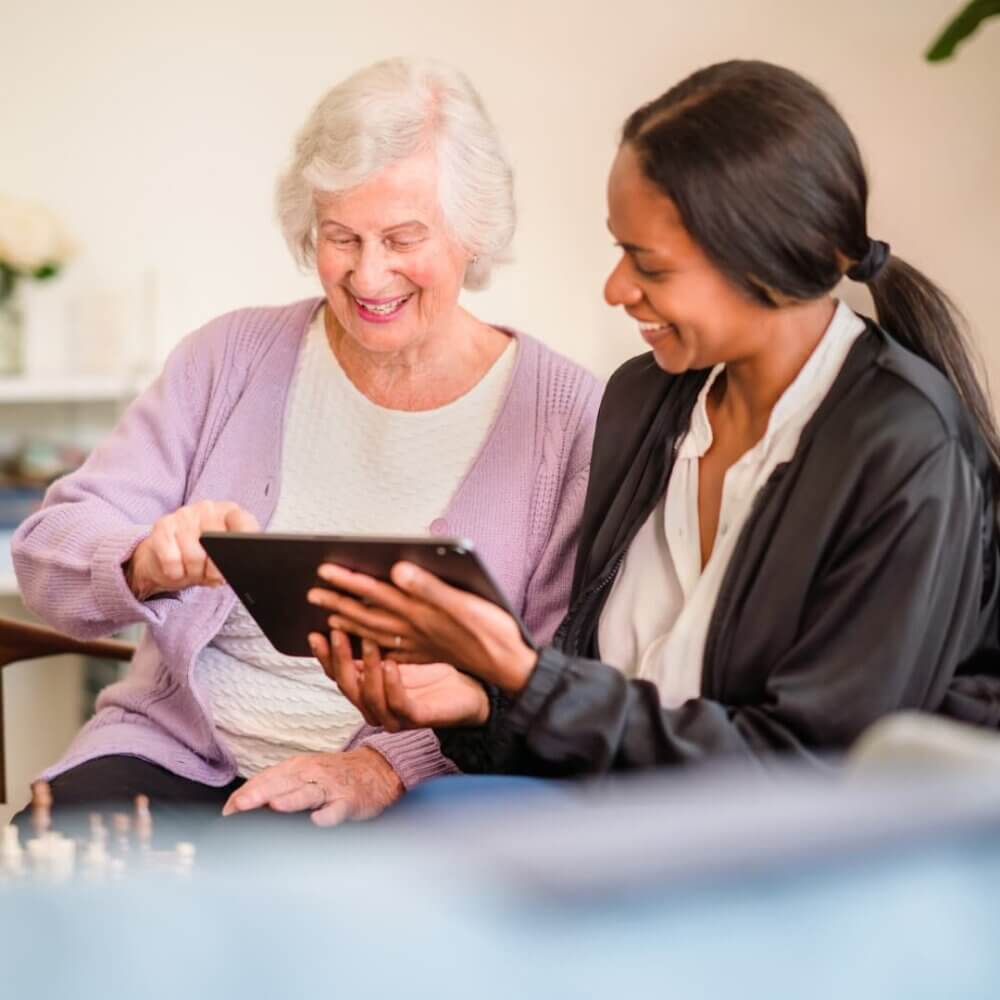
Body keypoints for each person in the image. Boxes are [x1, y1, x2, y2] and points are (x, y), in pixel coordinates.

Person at [309, 59, 1000, 777]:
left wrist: (526, 677)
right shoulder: (644, 401)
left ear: (776, 263)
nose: (616, 289)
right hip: (615, 827)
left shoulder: (904, 451)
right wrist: (481, 702)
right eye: (619, 250)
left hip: (779, 867)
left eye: (650, 265)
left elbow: (809, 776)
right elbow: (601, 723)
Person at [10, 57, 601, 823]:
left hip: (403, 795)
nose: (369, 274)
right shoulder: (228, 358)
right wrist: (144, 558)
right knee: (47, 893)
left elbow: (555, 673)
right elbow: (46, 551)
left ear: (472, 232)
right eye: (340, 237)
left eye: (402, 237)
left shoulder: (566, 417)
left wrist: (381, 765)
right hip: (175, 754)